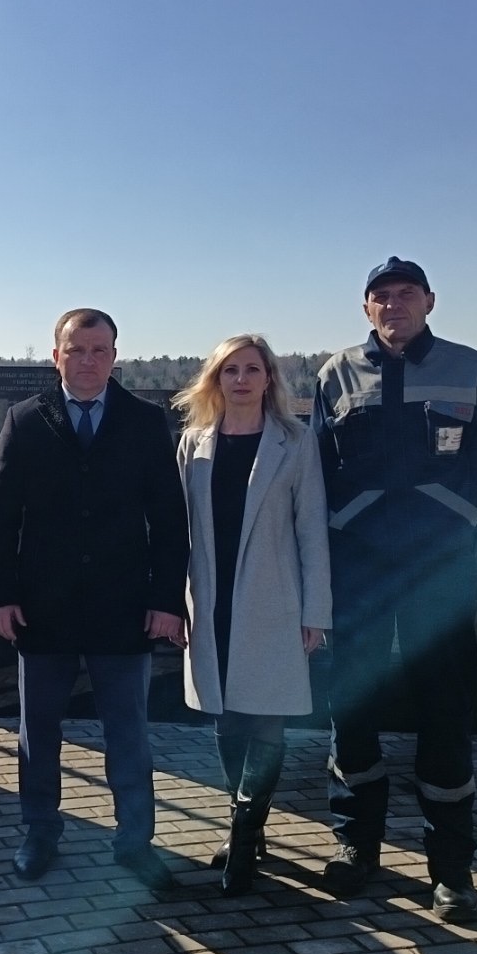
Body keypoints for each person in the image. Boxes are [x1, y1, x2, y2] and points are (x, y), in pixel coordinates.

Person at [312, 257, 477, 922]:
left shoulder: (470, 369)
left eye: (406, 294)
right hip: (358, 572)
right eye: (381, 296)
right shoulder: (336, 373)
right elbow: (319, 470)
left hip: (438, 572)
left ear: (429, 301)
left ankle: (451, 869)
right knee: (352, 707)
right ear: (366, 307)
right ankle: (355, 846)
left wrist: (456, 538)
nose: (394, 304)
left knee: (445, 713)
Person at [0, 308, 189, 889]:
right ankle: (40, 831)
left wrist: (166, 599)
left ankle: (135, 841)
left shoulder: (145, 421)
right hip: (42, 607)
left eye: (99, 351)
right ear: (56, 357)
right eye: (76, 350)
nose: (88, 361)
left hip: (123, 606)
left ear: (114, 356)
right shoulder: (25, 420)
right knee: (39, 731)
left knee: (128, 731)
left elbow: (169, 519)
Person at [173, 334, 331, 896]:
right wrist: (172, 603)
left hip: (272, 601)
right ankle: (246, 820)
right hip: (210, 600)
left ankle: (243, 837)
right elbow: (177, 530)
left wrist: (316, 610)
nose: (241, 380)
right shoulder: (193, 443)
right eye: (229, 370)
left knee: (266, 718)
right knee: (226, 717)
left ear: (269, 379)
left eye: (252, 370)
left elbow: (311, 529)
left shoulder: (295, 441)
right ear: (215, 379)